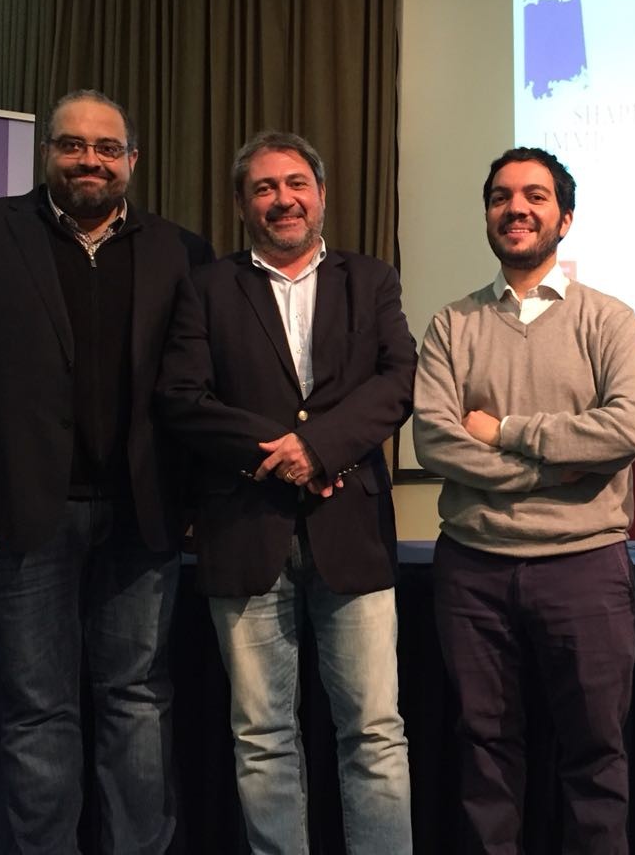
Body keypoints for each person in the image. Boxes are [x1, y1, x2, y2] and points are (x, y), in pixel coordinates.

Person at [0, 89, 211, 853]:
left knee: (136, 701)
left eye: (108, 148)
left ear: (133, 161)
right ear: (49, 153)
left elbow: (201, 389)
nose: (89, 160)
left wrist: (200, 495)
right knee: (38, 712)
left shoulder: (182, 251)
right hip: (15, 512)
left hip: (144, 515)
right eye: (73, 145)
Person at [155, 131, 415, 854]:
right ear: (242, 203)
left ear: (322, 194)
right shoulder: (206, 287)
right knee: (262, 736)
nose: (282, 199)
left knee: (373, 732)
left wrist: (320, 447)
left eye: (295, 183)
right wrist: (280, 455)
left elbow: (399, 379)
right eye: (264, 187)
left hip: (351, 534)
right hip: (242, 531)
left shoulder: (372, 279)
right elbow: (182, 397)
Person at [412, 147, 635, 855]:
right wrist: (554, 472)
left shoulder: (608, 320)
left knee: (596, 755)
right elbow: (436, 443)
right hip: (474, 573)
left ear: (564, 218)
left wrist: (510, 433)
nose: (516, 208)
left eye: (535, 196)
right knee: (484, 752)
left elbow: (623, 431)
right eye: (501, 196)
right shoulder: (450, 326)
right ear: (487, 214)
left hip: (586, 570)